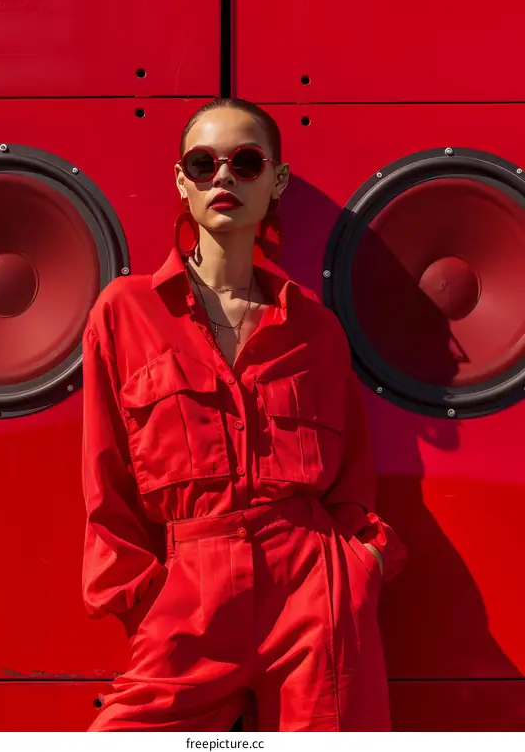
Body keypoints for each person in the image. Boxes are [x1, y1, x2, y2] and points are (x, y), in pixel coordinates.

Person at [80, 97, 407, 732]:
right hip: (188, 593)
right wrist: (144, 598)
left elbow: (354, 474)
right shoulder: (126, 311)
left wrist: (358, 567)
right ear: (183, 182)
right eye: (203, 164)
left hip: (316, 591)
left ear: (276, 180)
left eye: (247, 162)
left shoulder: (315, 327)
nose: (223, 177)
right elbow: (104, 476)